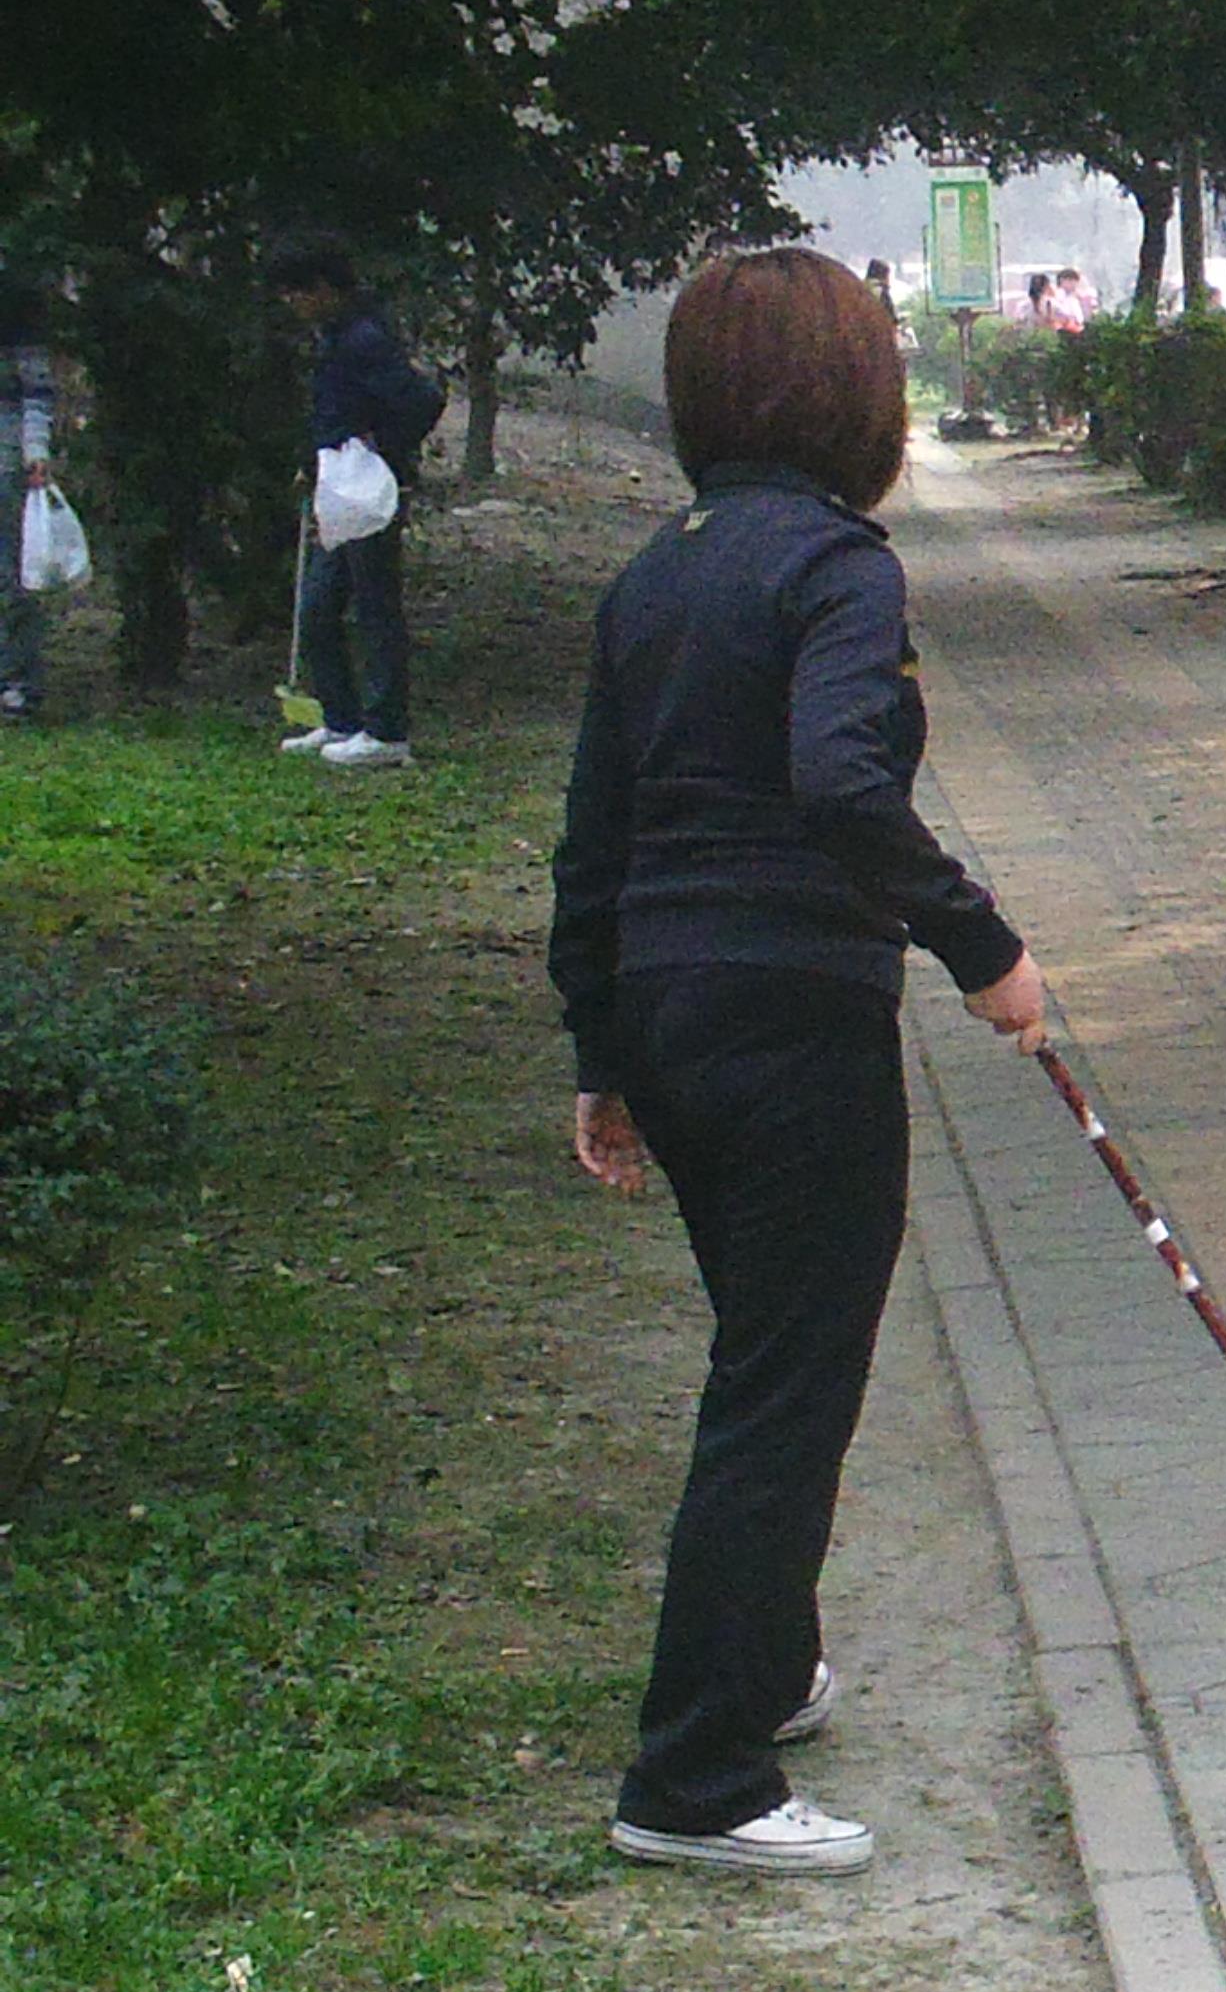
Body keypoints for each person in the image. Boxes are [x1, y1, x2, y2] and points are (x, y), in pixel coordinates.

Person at [548, 247, 1050, 1874]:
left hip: (676, 1014)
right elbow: (839, 783)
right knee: (784, 1390)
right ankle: (693, 1779)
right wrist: (981, 945)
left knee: (767, 1357)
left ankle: (762, 1672)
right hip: (789, 1016)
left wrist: (602, 1048)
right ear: (853, 394)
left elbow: (595, 838)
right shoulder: (840, 569)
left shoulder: (654, 575)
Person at [263, 230, 445, 767]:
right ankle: (340, 718)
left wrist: (378, 449)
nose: (291, 303)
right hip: (337, 487)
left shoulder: (365, 339)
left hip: (369, 491)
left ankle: (387, 731)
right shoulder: (334, 337)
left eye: (297, 291)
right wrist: (313, 464)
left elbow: (421, 401)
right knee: (318, 606)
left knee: (374, 605)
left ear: (323, 287)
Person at [2, 267, 56, 725]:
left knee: (14, 576)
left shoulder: (14, 300)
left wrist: (35, 450)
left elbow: (36, 389)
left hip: (6, 455)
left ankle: (18, 682)